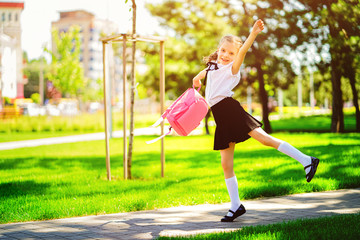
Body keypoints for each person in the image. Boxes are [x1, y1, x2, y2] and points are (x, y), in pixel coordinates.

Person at [192, 19, 320, 222]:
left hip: (231, 111)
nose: (226, 55)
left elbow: (242, 52)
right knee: (226, 164)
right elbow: (205, 72)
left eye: (231, 53)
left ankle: (307, 160)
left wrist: (252, 34)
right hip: (221, 117)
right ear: (219, 49)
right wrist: (196, 79)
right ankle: (236, 206)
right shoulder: (214, 65)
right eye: (223, 50)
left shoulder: (232, 68)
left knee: (264, 139)